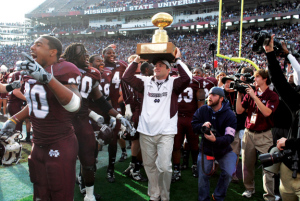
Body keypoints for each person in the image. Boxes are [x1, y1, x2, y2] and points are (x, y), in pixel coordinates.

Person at [1, 35, 82, 201]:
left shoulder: (65, 68)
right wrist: (14, 119)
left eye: (38, 44)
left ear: (53, 52)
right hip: (37, 144)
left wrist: (47, 79)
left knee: (60, 195)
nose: (32, 47)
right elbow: (37, 103)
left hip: (60, 142)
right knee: (39, 194)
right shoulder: (30, 72)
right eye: (33, 44)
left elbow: (74, 105)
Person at [61, 43, 132, 201]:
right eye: (82, 53)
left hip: (82, 121)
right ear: (72, 57)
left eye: (87, 52)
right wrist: (94, 116)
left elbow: (100, 100)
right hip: (63, 122)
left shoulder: (91, 73)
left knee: (88, 157)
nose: (86, 55)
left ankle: (89, 195)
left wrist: (118, 116)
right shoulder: (62, 70)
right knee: (65, 160)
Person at [122, 47, 192, 201]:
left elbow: (187, 78)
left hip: (166, 131)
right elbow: (126, 77)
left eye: (161, 65)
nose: (156, 67)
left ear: (169, 69)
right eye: (155, 65)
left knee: (165, 167)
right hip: (146, 131)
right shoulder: (145, 82)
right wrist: (137, 60)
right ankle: (155, 194)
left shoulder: (173, 82)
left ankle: (165, 195)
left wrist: (178, 60)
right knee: (150, 165)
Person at [264, 35, 300, 201]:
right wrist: (270, 53)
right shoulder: (298, 102)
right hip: (290, 166)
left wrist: (289, 143)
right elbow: (279, 82)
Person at [236, 68, 279, 200]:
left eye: (257, 77)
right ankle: (249, 188)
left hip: (264, 134)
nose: (254, 80)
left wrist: (254, 97)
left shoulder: (272, 95)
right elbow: (239, 111)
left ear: (265, 78)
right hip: (249, 133)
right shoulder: (250, 93)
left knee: (268, 167)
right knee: (247, 165)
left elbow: (267, 113)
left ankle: (269, 195)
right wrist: (239, 94)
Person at [192, 87, 237, 201]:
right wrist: (202, 126)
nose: (209, 97)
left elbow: (229, 137)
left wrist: (215, 140)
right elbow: (194, 125)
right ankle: (204, 199)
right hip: (206, 148)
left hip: (223, 149)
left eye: (214, 95)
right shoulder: (203, 110)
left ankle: (218, 197)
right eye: (209, 94)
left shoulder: (230, 115)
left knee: (228, 172)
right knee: (203, 176)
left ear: (221, 98)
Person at [172, 70, 205, 182]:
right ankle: (176, 169)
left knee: (194, 144)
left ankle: (195, 165)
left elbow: (201, 103)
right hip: (177, 117)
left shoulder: (196, 81)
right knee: (176, 145)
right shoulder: (174, 81)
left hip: (191, 117)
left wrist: (199, 119)